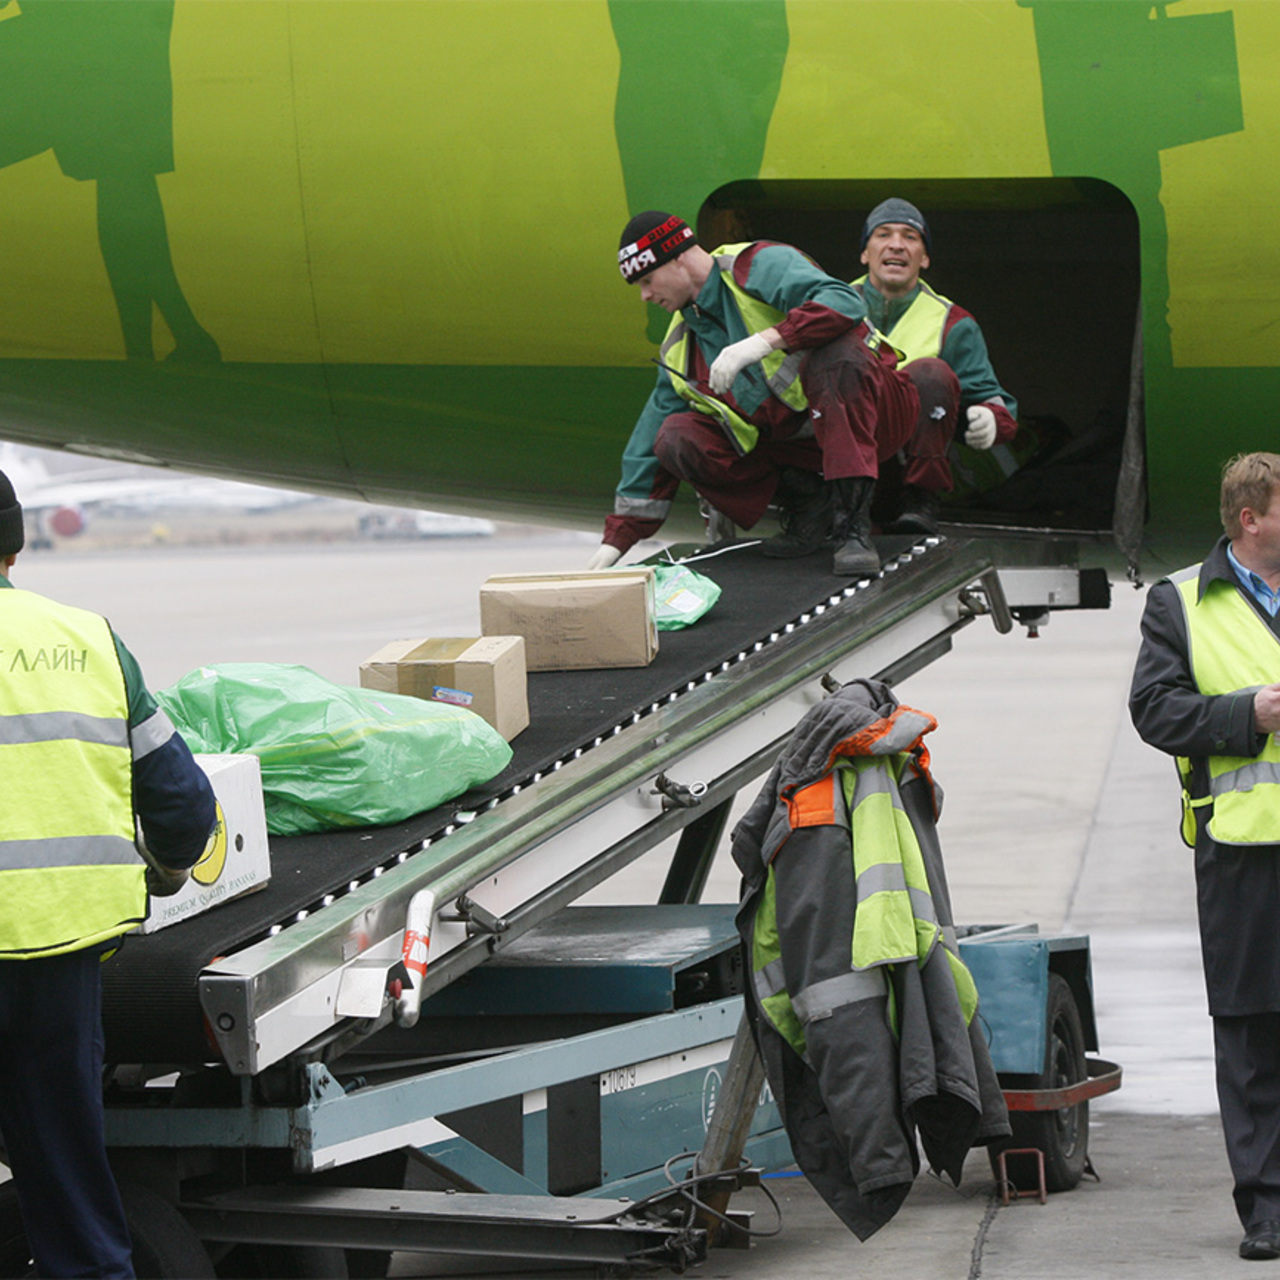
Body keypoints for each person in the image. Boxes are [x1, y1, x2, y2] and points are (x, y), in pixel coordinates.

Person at [0, 468, 217, 1278]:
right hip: (63, 957)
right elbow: (184, 810)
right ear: (16, 544)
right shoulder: (88, 639)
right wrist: (162, 871)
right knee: (69, 1189)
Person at [589, 211, 965, 578]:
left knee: (837, 355)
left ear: (678, 259)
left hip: (872, 417)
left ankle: (852, 530)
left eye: (647, 280)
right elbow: (649, 445)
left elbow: (845, 303)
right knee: (675, 437)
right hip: (803, 447)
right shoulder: (680, 344)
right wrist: (616, 541)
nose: (644, 295)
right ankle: (810, 506)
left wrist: (762, 343)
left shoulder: (755, 265)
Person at [1129, 452, 1280, 1263]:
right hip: (1245, 849)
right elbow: (1154, 710)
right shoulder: (1180, 600)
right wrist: (1245, 714)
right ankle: (1267, 1209)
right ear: (1249, 518)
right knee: (1253, 1031)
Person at [851, 197, 1019, 528]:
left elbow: (997, 405)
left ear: (924, 258)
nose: (897, 245)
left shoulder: (953, 322)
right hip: (839, 468)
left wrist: (989, 419)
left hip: (904, 478)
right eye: (883, 235)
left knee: (930, 373)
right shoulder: (829, 306)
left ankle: (920, 500)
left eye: (910, 237)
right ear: (865, 254)